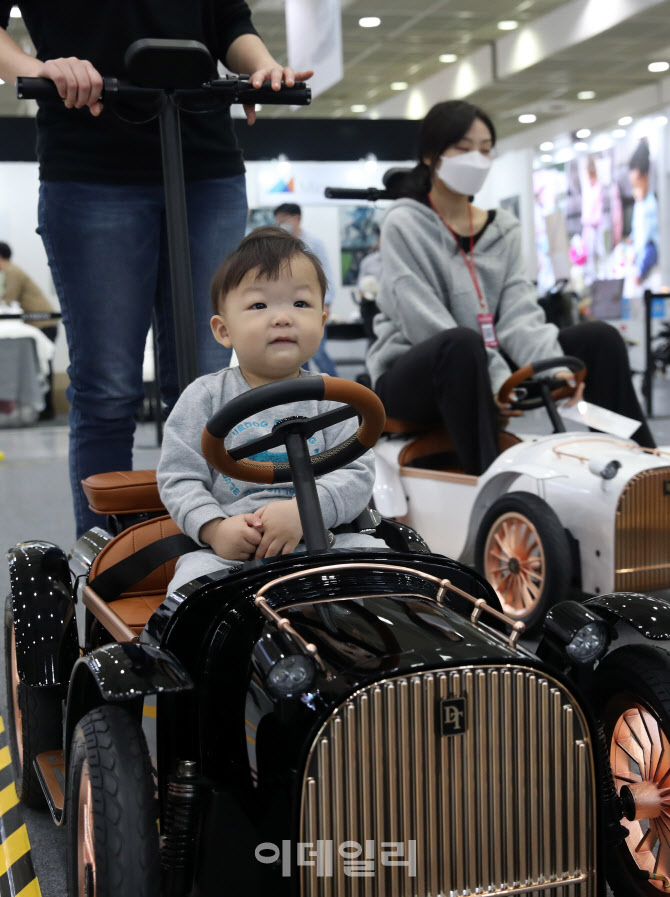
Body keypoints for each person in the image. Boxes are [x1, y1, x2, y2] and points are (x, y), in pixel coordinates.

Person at [0, 2, 312, 537]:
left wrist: (260, 64)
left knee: (208, 380)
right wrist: (38, 69)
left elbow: (228, 21)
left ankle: (214, 542)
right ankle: (110, 565)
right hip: (90, 160)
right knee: (107, 389)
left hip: (205, 161)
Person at [366, 99, 654, 476]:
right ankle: (494, 489)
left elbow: (520, 314)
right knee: (461, 342)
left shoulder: (503, 227)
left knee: (599, 340)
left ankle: (643, 471)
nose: (478, 160)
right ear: (431, 155)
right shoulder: (403, 221)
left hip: (482, 360)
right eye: (464, 149)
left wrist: (555, 369)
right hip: (416, 373)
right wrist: (496, 378)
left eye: (486, 150)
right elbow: (422, 320)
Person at [157, 226, 384, 593]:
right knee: (189, 595)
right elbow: (179, 478)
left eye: (300, 304)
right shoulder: (204, 397)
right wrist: (214, 528)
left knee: (390, 575)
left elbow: (356, 473)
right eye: (259, 305)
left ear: (322, 322)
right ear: (223, 330)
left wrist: (304, 511)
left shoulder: (336, 398)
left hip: (328, 537)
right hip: (231, 551)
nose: (282, 318)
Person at [273, 202, 338, 376]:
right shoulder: (278, 246)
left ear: (297, 219)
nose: (281, 223)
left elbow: (327, 274)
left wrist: (327, 302)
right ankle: (305, 393)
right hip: (289, 306)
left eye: (284, 219)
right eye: (278, 220)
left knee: (317, 350)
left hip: (312, 305)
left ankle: (340, 390)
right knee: (299, 354)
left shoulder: (314, 243)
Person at [628, 138, 660, 292]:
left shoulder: (651, 206)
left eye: (637, 185)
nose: (634, 190)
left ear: (645, 177)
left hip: (651, 273)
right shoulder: (639, 205)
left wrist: (640, 273)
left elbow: (651, 246)